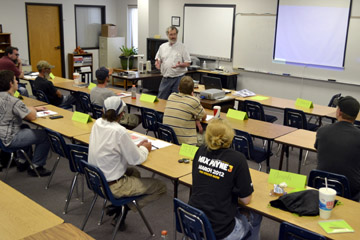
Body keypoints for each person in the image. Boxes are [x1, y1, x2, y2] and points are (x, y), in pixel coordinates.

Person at [88, 96, 167, 229]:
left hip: (96, 180)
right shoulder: (119, 131)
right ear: (122, 114)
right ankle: (124, 207)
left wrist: (135, 148)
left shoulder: (97, 124)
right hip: (113, 186)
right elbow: (136, 160)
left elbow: (113, 148)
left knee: (134, 173)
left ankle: (119, 209)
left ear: (102, 110)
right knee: (161, 187)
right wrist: (144, 148)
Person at [189, 118, 262, 240]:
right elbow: (246, 200)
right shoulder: (238, 159)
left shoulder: (200, 151)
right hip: (220, 232)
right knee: (256, 214)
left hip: (193, 222)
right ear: (230, 136)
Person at [0, 70, 51, 176]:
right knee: (45, 136)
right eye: (15, 80)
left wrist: (30, 108)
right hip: (10, 138)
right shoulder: (13, 101)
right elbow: (32, 116)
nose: (17, 82)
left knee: (25, 126)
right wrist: (32, 109)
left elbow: (15, 109)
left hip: (2, 136)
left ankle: (22, 161)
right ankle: (36, 166)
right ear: (10, 83)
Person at [315, 96, 360, 201]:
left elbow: (318, 149)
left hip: (320, 183)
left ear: (339, 112)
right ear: (356, 115)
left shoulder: (322, 131)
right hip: (349, 188)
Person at [163, 76, 206, 145]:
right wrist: (194, 97)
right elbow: (204, 116)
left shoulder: (171, 96)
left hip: (168, 140)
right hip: (185, 144)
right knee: (208, 136)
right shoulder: (193, 100)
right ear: (193, 90)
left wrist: (196, 119)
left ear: (178, 88)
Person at [155, 26, 191, 100]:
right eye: (171, 34)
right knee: (161, 99)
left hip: (178, 78)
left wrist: (180, 65)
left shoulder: (182, 47)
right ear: (167, 35)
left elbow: (188, 63)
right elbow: (158, 59)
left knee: (177, 100)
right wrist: (157, 63)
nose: (173, 36)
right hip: (166, 78)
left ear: (177, 34)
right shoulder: (162, 47)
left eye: (174, 34)